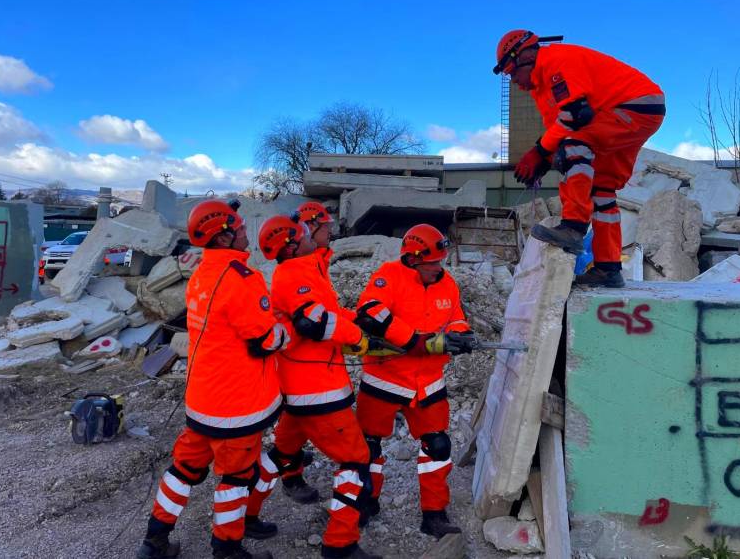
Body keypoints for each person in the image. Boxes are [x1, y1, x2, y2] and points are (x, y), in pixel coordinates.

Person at [137, 199, 288, 559]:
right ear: (222, 239)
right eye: (238, 229)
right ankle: (227, 547)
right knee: (237, 478)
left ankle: (154, 540)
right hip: (237, 405)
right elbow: (265, 339)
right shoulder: (242, 280)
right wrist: (285, 330)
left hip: (203, 400)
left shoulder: (201, 274)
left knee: (183, 469)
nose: (245, 233)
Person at [246, 213, 382, 559]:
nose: (310, 235)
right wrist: (358, 337)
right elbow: (314, 322)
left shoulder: (303, 270)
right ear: (292, 245)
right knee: (355, 459)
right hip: (318, 390)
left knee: (281, 454)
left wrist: (353, 318)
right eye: (303, 233)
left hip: (297, 390)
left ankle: (247, 514)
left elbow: (325, 312)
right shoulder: (294, 273)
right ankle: (340, 543)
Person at [494, 29, 666, 287]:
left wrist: (539, 152)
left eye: (511, 71)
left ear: (525, 56)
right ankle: (608, 269)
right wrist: (544, 158)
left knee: (575, 145)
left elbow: (576, 116)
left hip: (633, 106)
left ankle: (573, 228)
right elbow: (558, 129)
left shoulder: (555, 62)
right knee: (602, 189)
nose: (514, 80)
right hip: (634, 112)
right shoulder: (542, 89)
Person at [354, 224, 472, 539]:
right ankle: (365, 501)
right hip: (385, 378)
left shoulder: (447, 284)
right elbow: (369, 312)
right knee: (366, 447)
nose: (440, 267)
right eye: (433, 262)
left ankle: (434, 514)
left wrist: (460, 335)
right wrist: (413, 340)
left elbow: (456, 316)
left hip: (429, 382)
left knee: (438, 446)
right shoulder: (389, 276)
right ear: (413, 259)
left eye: (442, 260)